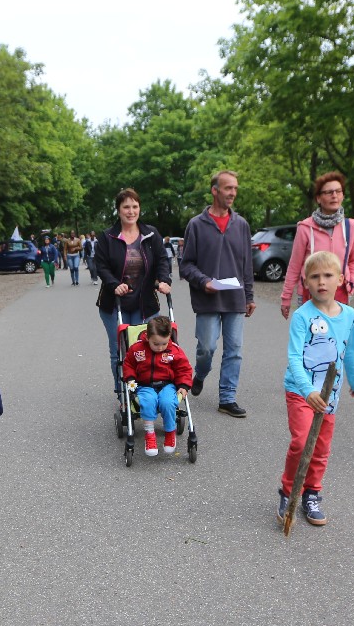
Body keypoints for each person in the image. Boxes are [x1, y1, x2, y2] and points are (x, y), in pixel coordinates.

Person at [280, 252, 354, 527]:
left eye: (328, 275)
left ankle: (312, 493)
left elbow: (352, 350)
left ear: (340, 279)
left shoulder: (349, 314)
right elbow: (294, 357)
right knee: (302, 441)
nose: (321, 282)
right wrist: (307, 390)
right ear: (305, 282)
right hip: (301, 391)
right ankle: (288, 491)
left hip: (330, 394)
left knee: (321, 447)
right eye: (314, 277)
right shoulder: (302, 316)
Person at [178, 170, 255, 417]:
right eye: (228, 188)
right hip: (207, 298)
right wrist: (204, 282)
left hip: (235, 298)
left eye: (235, 188)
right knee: (207, 348)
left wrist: (249, 296)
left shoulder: (241, 225)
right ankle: (200, 374)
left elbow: (247, 264)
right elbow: (186, 265)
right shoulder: (196, 225)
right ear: (214, 190)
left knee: (234, 350)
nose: (233, 193)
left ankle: (227, 398)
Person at [95, 188, 172, 400]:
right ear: (118, 210)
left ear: (140, 208)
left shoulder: (151, 234)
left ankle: (144, 393)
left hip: (145, 303)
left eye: (135, 206)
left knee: (145, 348)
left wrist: (164, 280)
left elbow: (162, 260)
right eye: (126, 207)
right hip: (114, 304)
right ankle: (123, 395)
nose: (131, 211)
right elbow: (101, 266)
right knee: (119, 351)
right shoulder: (107, 237)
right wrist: (114, 284)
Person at [281, 171, 354, 319]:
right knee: (312, 333)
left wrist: (353, 283)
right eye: (329, 192)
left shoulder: (351, 226)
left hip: (340, 293)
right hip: (310, 294)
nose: (334, 195)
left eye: (338, 191)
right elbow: (294, 265)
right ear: (318, 198)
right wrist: (286, 297)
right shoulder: (305, 228)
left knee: (338, 333)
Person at [122, 316, 193, 456]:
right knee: (148, 401)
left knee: (168, 402)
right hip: (145, 385)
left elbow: (184, 369)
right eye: (156, 344)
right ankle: (150, 434)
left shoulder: (174, 350)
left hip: (167, 385)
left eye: (164, 343)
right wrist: (130, 378)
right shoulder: (137, 349)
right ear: (147, 337)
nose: (160, 347)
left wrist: (184, 385)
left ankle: (170, 432)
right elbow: (128, 364)